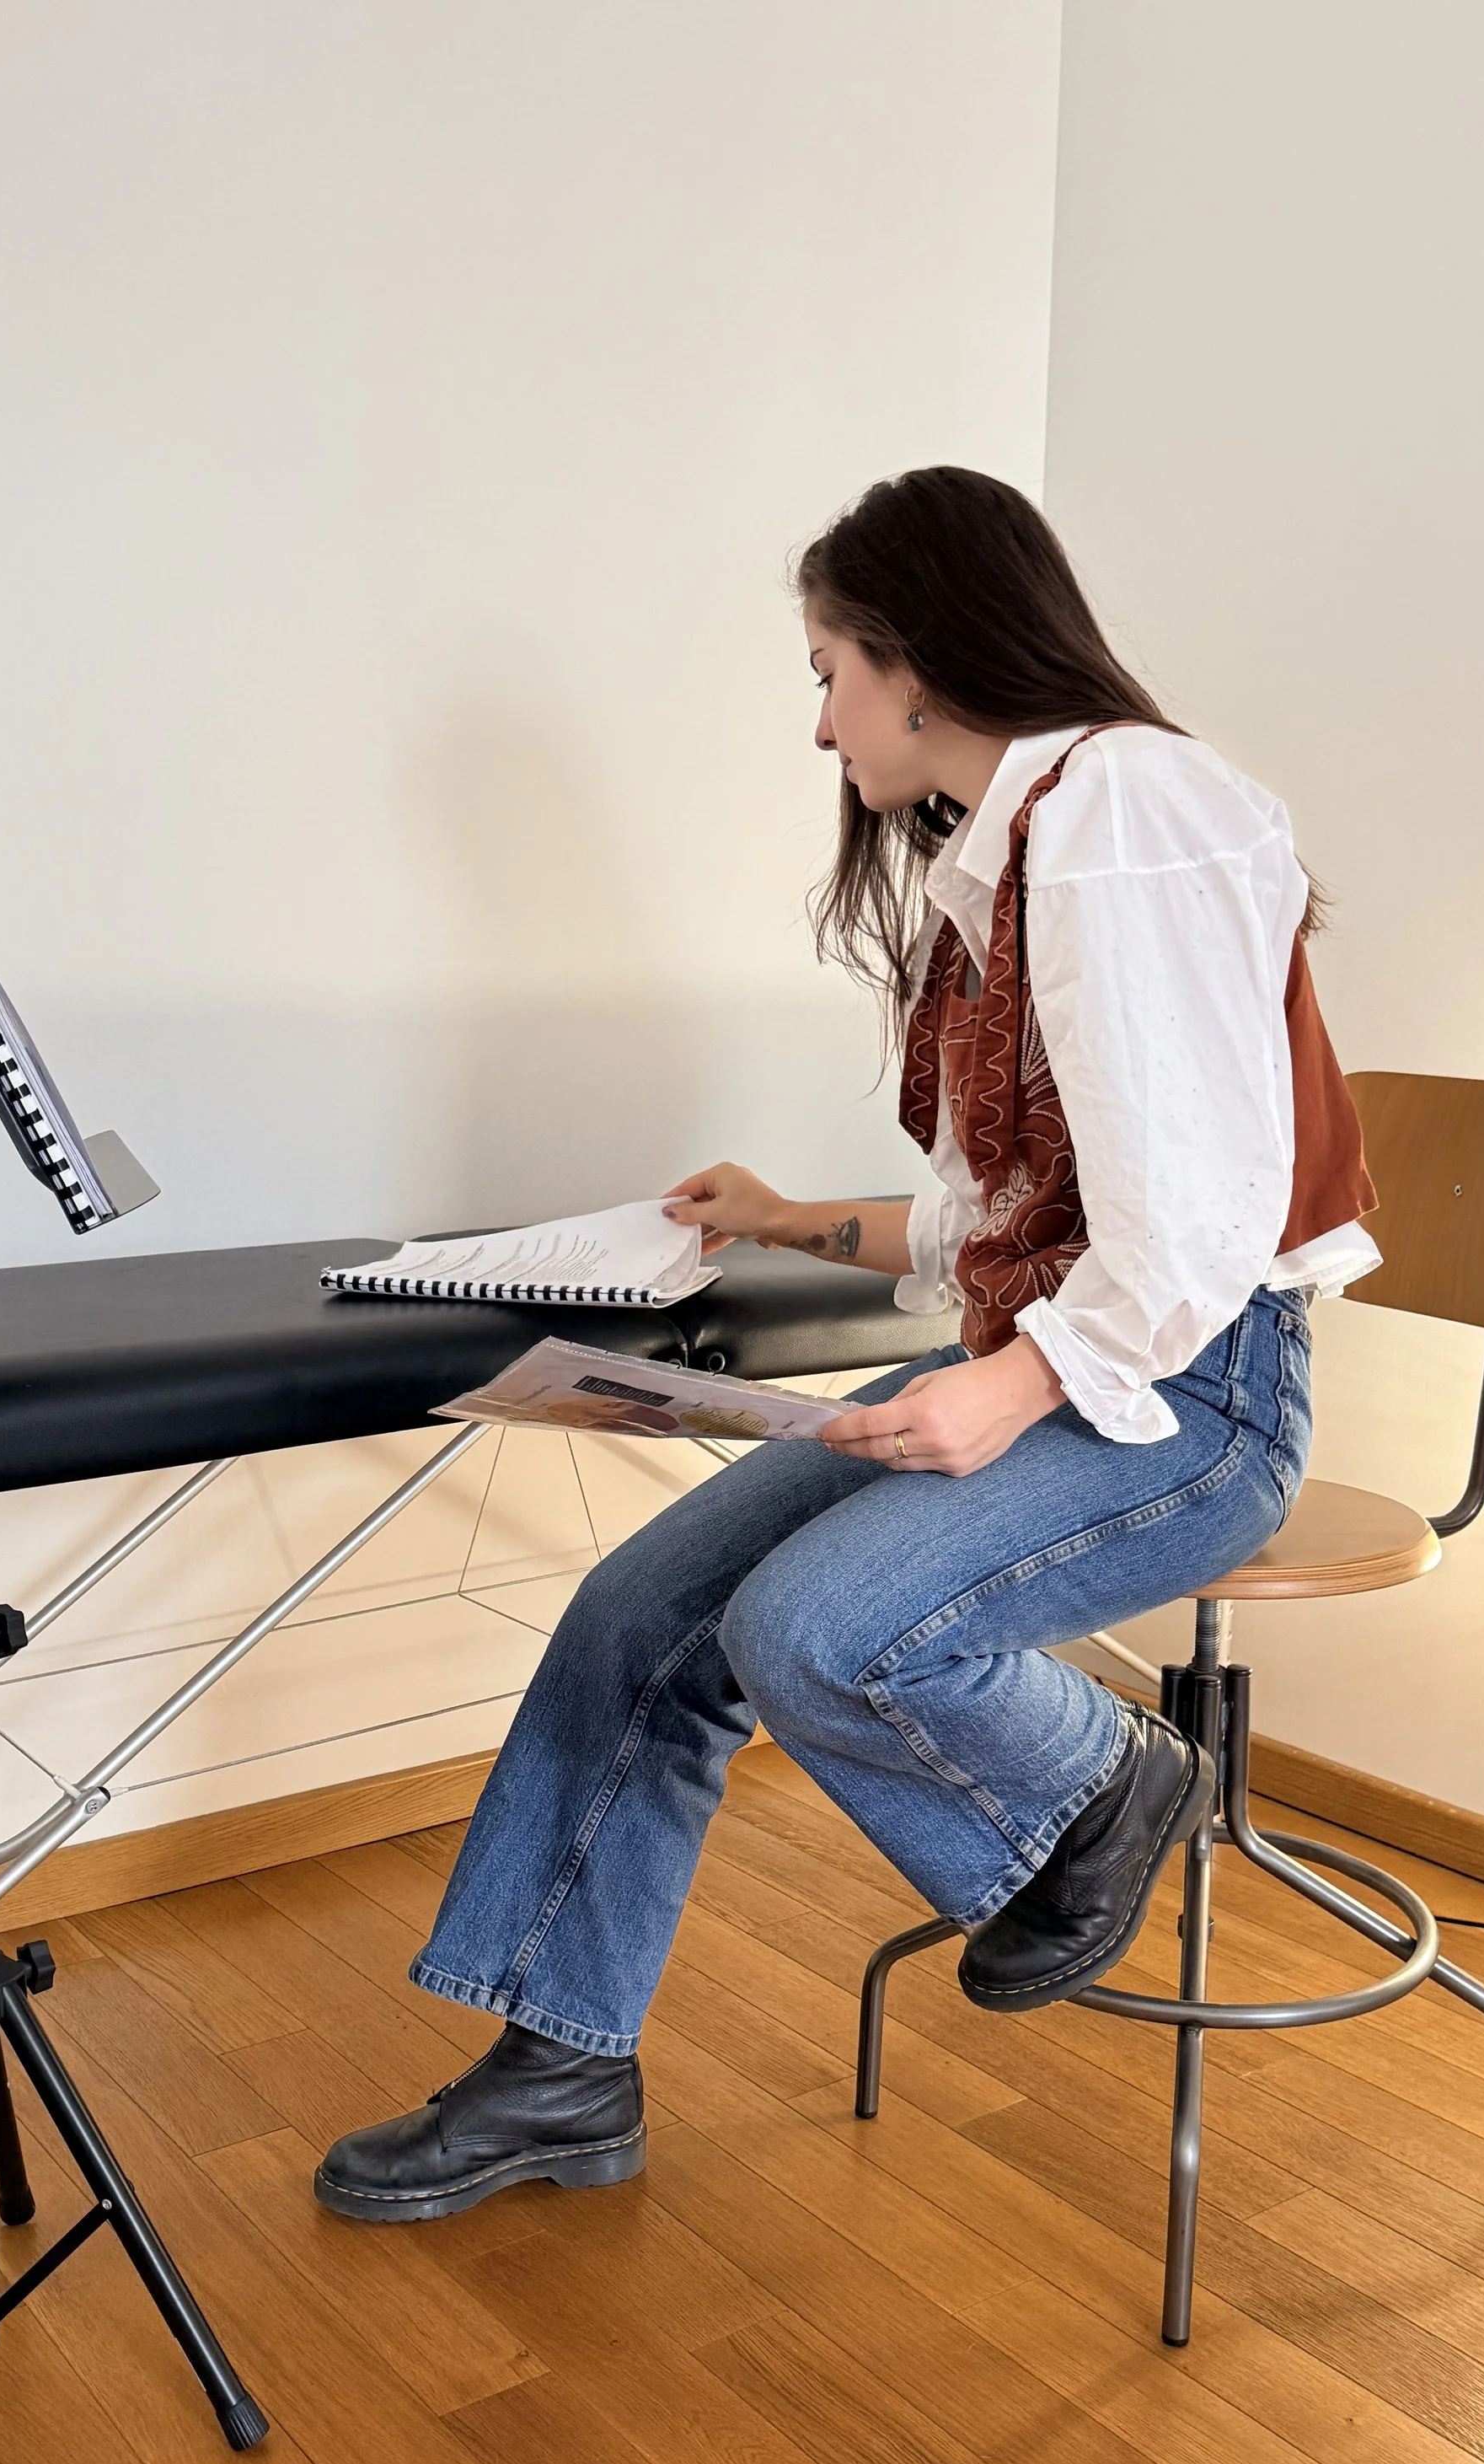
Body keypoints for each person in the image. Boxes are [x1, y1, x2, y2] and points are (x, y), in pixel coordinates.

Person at [315, 466, 1378, 2223]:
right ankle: (562, 2062)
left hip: (1190, 1401)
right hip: (1080, 1363)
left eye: (826, 669)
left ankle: (1119, 1777)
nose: (818, 724)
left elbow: (1192, 1215)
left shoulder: (1122, 805)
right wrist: (779, 1217)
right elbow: (1010, 1214)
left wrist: (1015, 1380)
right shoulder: (1008, 867)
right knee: (631, 1619)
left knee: (808, 1626)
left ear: (915, 659)